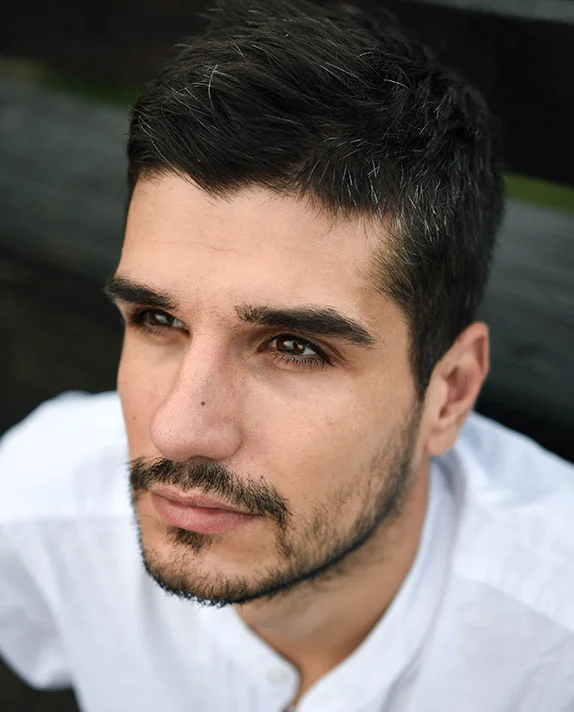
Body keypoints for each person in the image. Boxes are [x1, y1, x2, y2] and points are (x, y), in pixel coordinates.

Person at [1, 0, 573, 710]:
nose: (179, 430)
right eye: (157, 318)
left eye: (294, 347)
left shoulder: (553, 645)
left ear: (449, 393)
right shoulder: (36, 516)